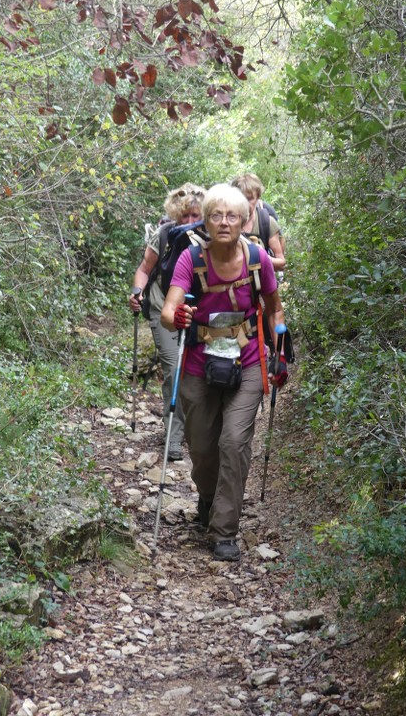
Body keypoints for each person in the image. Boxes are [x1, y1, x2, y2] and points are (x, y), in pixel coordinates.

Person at [161, 183, 288, 561]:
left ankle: (224, 531)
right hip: (200, 361)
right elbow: (169, 312)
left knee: (233, 442)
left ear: (245, 220)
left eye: (232, 216)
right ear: (206, 219)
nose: (224, 222)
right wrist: (176, 316)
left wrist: (280, 348)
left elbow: (274, 308)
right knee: (202, 447)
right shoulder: (190, 258)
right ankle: (206, 495)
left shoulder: (257, 259)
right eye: (216, 215)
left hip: (247, 359)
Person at [129, 183, 205, 461]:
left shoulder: (213, 236)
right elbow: (144, 269)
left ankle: (197, 431)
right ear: (175, 215)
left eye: (195, 216)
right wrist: (137, 291)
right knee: (173, 369)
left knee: (196, 372)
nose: (189, 222)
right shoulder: (163, 235)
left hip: (199, 313)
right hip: (163, 309)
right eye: (184, 217)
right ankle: (173, 436)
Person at [231, 173, 286, 272]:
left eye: (250, 199)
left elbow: (281, 263)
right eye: (241, 199)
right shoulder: (225, 223)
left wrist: (260, 256)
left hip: (259, 284)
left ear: (258, 198)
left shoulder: (266, 222)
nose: (245, 204)